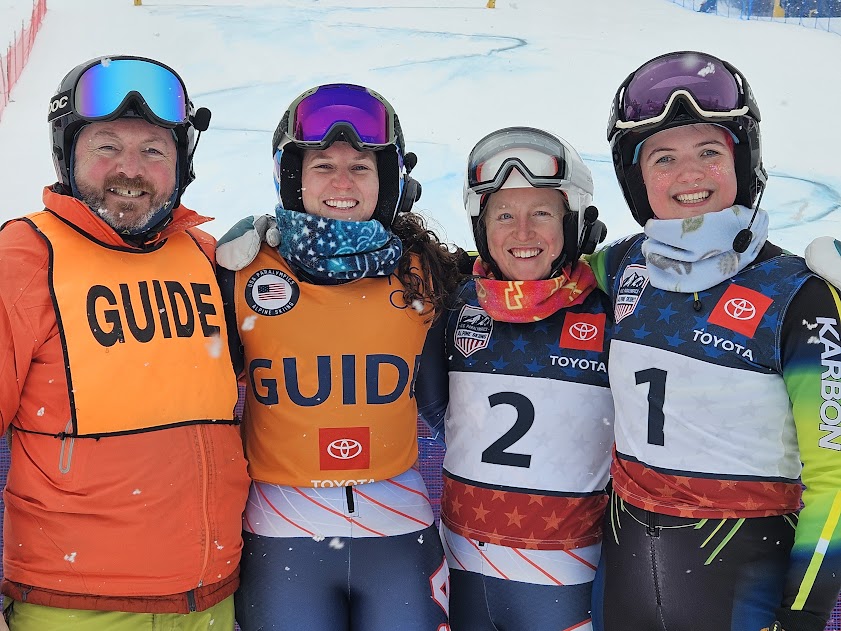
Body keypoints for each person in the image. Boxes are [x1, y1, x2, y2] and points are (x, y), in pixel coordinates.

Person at [588, 50, 841, 631]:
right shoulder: (620, 267)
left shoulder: (800, 297)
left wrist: (802, 615)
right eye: (664, 158)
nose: (689, 175)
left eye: (709, 152)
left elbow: (835, 481)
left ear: (742, 162)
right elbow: (523, 272)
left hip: (743, 590)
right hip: (624, 579)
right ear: (636, 179)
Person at [0, 55, 251, 631]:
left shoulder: (205, 256)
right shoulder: (26, 256)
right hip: (74, 606)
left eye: (154, 150)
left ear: (182, 162)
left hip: (210, 599)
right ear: (68, 154)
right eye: (107, 146)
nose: (130, 170)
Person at [217, 83, 459, 630]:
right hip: (282, 531)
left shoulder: (424, 273)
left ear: (388, 181)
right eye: (323, 165)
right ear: (292, 177)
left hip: (398, 529)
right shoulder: (241, 270)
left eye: (361, 168)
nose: (342, 183)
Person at [414, 126, 613, 630]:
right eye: (504, 214)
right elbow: (438, 409)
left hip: (567, 573)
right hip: (464, 564)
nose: (522, 233)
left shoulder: (612, 309)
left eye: (541, 213)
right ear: (482, 227)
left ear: (574, 222)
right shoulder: (457, 302)